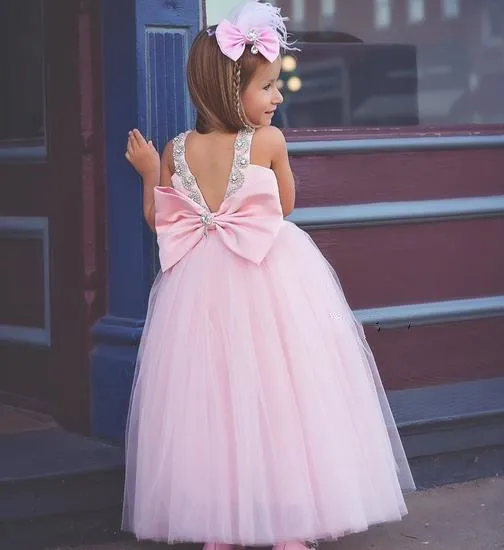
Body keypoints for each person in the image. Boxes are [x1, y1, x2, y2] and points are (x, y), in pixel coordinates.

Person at [123, 2, 415, 549]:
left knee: (211, 402)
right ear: (232, 92)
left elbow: (159, 218)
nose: (278, 97)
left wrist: (148, 175)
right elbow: (283, 205)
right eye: (269, 87)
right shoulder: (269, 142)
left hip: (197, 288)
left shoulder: (176, 149)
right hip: (268, 273)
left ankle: (220, 527)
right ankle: (289, 527)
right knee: (284, 394)